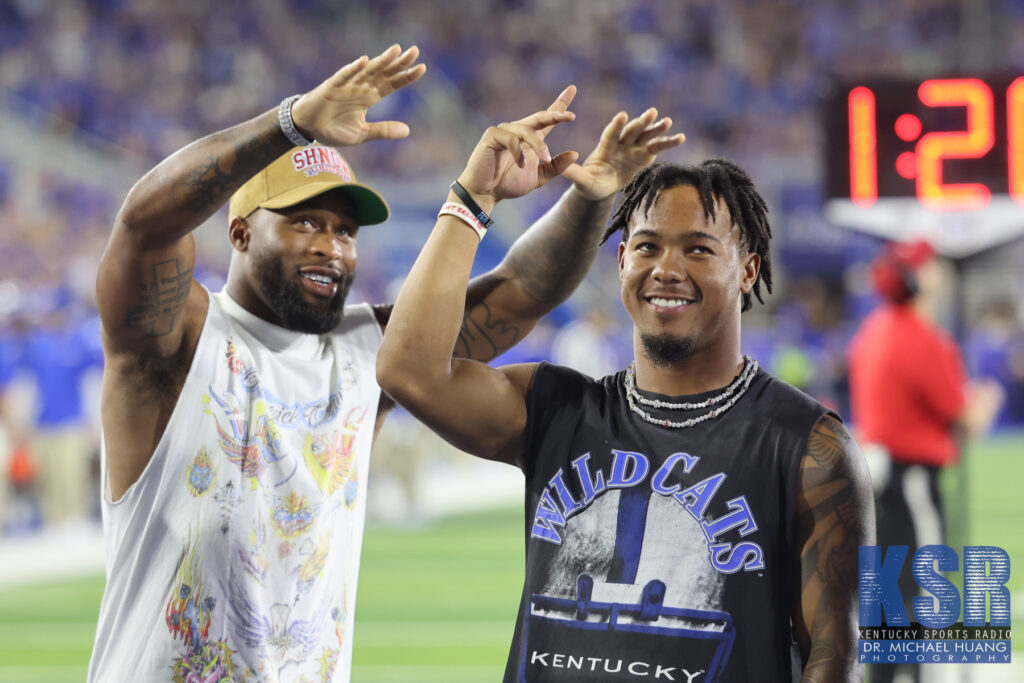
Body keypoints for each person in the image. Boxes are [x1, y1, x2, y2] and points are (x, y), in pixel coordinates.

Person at [87, 44, 685, 682]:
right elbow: (143, 228)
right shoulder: (179, 340)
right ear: (239, 233)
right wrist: (290, 124)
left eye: (345, 232)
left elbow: (523, 290)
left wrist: (590, 199)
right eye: (306, 222)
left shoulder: (367, 349)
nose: (331, 247)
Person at [378, 143, 875, 679]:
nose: (666, 268)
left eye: (699, 250)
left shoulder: (808, 446)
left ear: (748, 270)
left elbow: (834, 657)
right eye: (647, 247)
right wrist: (471, 200)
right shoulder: (554, 409)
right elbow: (408, 370)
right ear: (621, 263)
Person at [847, 240, 1003, 683]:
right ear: (916, 280)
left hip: (879, 480)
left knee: (887, 597)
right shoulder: (919, 338)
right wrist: (990, 395)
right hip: (910, 479)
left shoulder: (874, 330)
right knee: (923, 596)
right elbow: (966, 418)